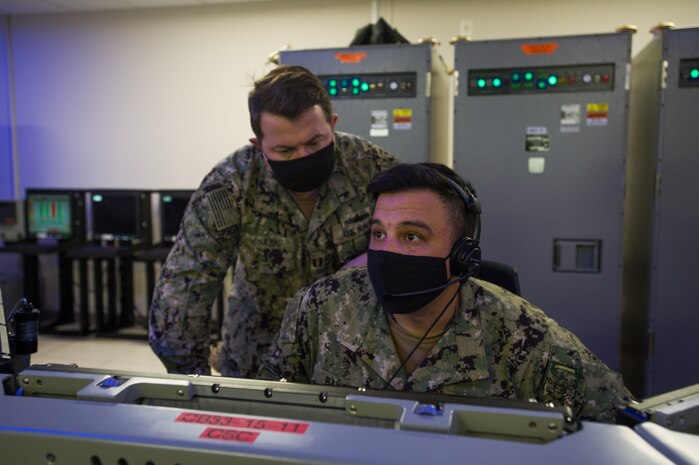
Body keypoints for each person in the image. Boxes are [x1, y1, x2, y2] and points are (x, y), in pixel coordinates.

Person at [258, 162, 633, 422]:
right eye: (378, 234)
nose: (387, 251)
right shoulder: (320, 306)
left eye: (411, 236)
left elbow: (619, 419)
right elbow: (262, 404)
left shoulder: (524, 334)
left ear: (461, 254)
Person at [149, 65, 398, 377]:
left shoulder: (371, 167)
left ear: (332, 125)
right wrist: (194, 383)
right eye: (285, 149)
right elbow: (184, 287)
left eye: (315, 143)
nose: (302, 156)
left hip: (352, 354)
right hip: (256, 354)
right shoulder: (231, 184)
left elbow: (417, 239)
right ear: (259, 146)